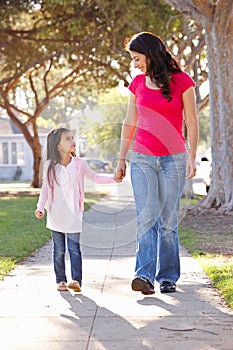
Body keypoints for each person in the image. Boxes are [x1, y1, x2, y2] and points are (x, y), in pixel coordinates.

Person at [115, 32, 199, 295]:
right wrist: (121, 159)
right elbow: (130, 122)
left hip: (173, 158)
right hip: (142, 158)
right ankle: (144, 276)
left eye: (137, 58)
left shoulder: (183, 81)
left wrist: (192, 157)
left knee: (167, 220)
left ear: (150, 54)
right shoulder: (137, 83)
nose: (135, 64)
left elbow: (192, 121)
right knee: (146, 217)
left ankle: (167, 276)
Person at [35, 127, 121, 292]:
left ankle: (76, 280)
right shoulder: (49, 166)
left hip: (74, 213)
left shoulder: (79, 164)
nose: (72, 141)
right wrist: (40, 207)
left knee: (74, 249)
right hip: (55, 214)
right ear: (58, 146)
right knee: (59, 250)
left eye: (72, 137)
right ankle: (60, 280)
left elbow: (95, 177)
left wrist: (113, 179)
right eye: (67, 139)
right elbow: (45, 189)